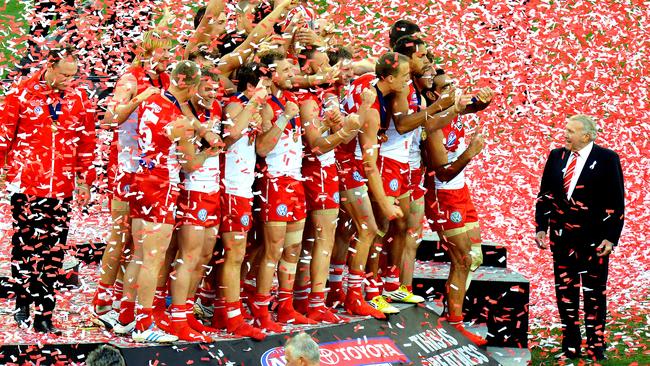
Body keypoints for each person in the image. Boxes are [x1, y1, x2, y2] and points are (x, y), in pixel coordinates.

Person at [0, 45, 96, 334]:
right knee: (26, 248)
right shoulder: (20, 93)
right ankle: (22, 300)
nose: (70, 81)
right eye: (65, 75)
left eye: (74, 76)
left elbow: (87, 142)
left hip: (62, 187)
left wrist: (85, 181)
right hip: (27, 184)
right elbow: (3, 136)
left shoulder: (79, 97)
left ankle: (46, 312)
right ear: (49, 67)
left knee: (54, 251)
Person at [535, 114, 625, 361]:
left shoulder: (607, 159)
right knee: (566, 292)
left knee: (595, 293)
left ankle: (597, 346)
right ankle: (570, 345)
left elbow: (616, 202)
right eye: (566, 129)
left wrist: (611, 238)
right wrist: (541, 227)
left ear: (587, 136)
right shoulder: (556, 156)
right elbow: (545, 195)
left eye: (570, 131)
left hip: (594, 240)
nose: (565, 134)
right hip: (562, 238)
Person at [423, 68, 493, 347]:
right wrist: (470, 152)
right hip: (444, 196)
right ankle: (454, 322)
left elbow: (472, 106)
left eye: (454, 83)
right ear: (433, 94)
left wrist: (483, 102)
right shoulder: (434, 126)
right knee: (462, 258)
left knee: (473, 257)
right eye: (447, 86)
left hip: (461, 193)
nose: (455, 89)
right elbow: (442, 173)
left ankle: (449, 313)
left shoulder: (454, 111)